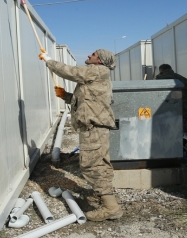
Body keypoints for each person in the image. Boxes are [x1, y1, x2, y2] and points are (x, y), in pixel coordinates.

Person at [38, 48, 123, 222]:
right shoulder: (96, 76)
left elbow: (70, 72)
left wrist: (48, 60)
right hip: (95, 127)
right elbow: (86, 101)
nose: (88, 56)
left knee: (92, 165)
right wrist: (66, 96)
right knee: (100, 163)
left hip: (94, 128)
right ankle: (104, 197)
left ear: (99, 60)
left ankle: (110, 208)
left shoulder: (97, 70)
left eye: (93, 54)